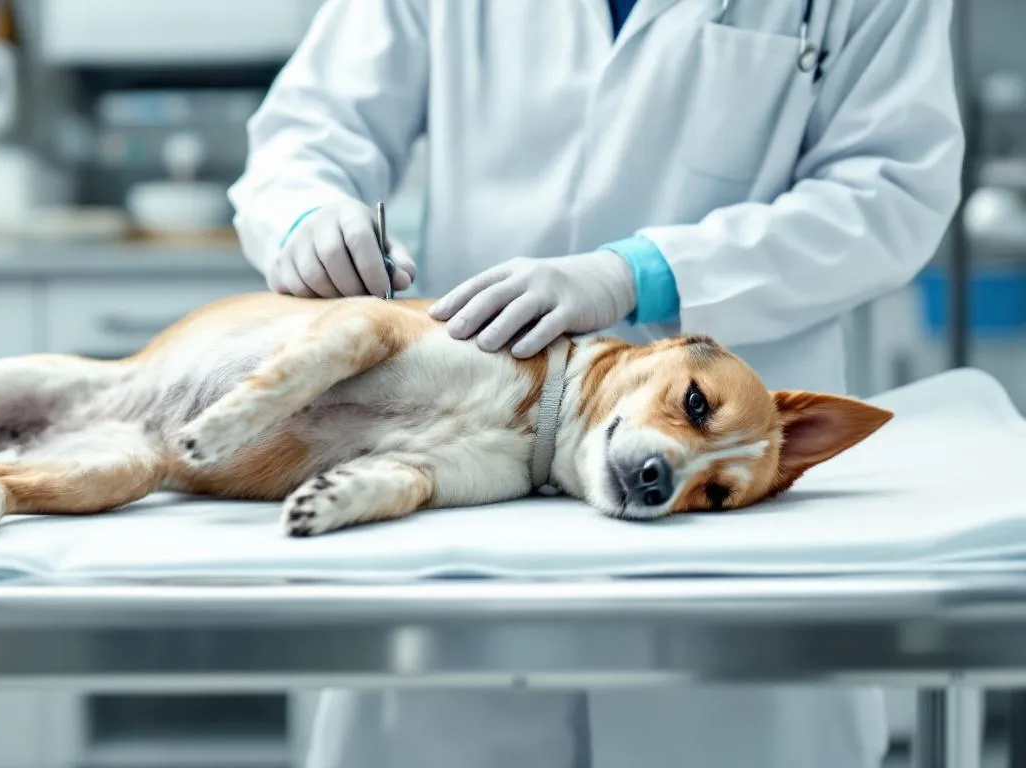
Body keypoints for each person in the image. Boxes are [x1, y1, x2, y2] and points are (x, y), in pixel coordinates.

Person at [227, 0, 965, 766]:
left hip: (725, 516)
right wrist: (307, 216)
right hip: (459, 454)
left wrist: (644, 273)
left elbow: (891, 191)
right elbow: (310, 127)